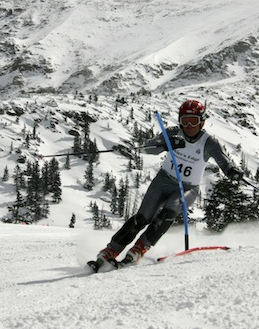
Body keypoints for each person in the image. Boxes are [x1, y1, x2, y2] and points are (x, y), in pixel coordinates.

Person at [90, 99, 243, 271]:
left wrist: (232, 171)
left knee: (169, 211)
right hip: (163, 181)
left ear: (202, 122)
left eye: (193, 121)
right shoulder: (173, 133)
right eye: (185, 121)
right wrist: (165, 145)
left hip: (187, 188)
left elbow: (224, 161)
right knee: (142, 217)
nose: (189, 126)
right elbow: (149, 148)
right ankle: (111, 250)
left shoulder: (209, 142)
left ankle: (139, 249)